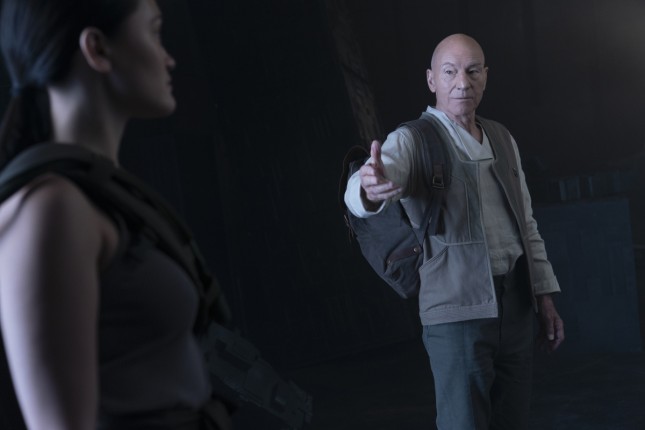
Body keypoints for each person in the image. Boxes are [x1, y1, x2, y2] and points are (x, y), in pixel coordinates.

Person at [0, 0, 232, 429]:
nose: (169, 58)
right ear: (98, 49)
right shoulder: (53, 208)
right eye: (154, 32)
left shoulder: (100, 193)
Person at [344, 33, 565, 430]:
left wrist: (544, 297)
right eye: (450, 72)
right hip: (455, 315)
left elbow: (527, 224)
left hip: (515, 306)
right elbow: (368, 184)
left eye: (472, 71)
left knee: (513, 421)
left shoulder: (502, 138)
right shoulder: (412, 139)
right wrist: (368, 187)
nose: (462, 82)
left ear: (485, 77)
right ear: (432, 79)